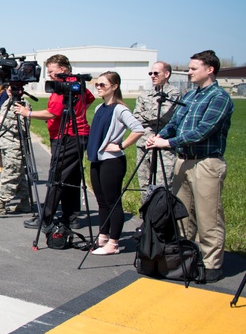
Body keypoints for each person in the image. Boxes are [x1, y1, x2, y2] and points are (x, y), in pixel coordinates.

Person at [148, 50, 233, 283]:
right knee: (182, 215)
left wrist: (169, 142)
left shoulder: (219, 97)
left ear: (210, 69)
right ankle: (186, 257)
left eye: (194, 68)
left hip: (206, 163)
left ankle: (211, 264)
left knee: (209, 216)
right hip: (183, 161)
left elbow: (203, 131)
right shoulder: (191, 96)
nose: (189, 72)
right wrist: (158, 138)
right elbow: (174, 123)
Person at [15, 54, 95, 233]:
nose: (49, 75)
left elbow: (53, 113)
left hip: (67, 136)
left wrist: (27, 113)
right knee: (72, 177)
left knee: (57, 177)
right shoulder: (78, 84)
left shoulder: (64, 87)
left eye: (52, 71)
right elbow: (89, 99)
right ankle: (71, 216)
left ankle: (46, 217)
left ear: (63, 69)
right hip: (78, 135)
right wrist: (77, 113)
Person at [87, 72, 144, 255]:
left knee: (113, 202)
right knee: (102, 202)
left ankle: (113, 243)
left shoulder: (120, 109)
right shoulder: (99, 108)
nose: (98, 88)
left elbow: (138, 129)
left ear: (114, 86)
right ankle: (102, 236)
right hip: (97, 159)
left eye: (102, 85)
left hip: (112, 162)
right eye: (97, 84)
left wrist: (121, 145)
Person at [132, 61, 180, 201]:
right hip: (144, 143)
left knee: (162, 185)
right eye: (150, 73)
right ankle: (146, 218)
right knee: (144, 184)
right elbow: (136, 117)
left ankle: (161, 219)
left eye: (156, 73)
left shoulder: (173, 93)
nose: (152, 76)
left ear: (167, 74)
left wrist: (145, 115)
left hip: (162, 146)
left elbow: (162, 115)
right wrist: (148, 116)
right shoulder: (145, 95)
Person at [0, 93, 32, 214]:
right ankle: (25, 202)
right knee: (18, 173)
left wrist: (4, 121)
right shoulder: (6, 102)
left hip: (15, 145)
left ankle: (0, 204)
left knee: (9, 174)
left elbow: (23, 127)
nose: (10, 90)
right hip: (4, 143)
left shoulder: (22, 104)